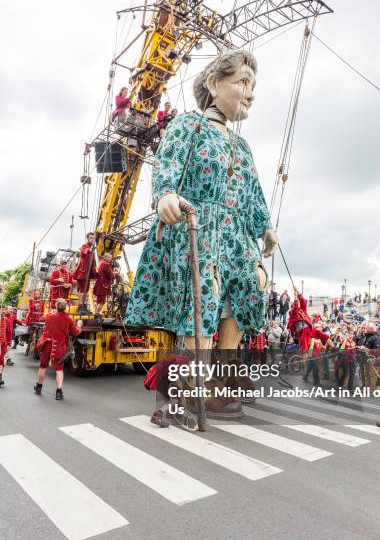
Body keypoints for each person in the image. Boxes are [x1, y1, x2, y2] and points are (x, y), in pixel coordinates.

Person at [125, 49, 279, 423]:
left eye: (253, 85)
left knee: (252, 281)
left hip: (237, 234)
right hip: (200, 227)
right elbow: (168, 166)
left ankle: (223, 377)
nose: (250, 92)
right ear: (214, 83)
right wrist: (165, 195)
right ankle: (198, 383)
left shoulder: (242, 145)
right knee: (205, 291)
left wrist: (265, 226)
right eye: (243, 82)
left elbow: (253, 192)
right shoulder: (187, 126)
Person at [34, 299, 82, 400]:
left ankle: (38, 387)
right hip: (60, 347)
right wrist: (79, 326)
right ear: (65, 307)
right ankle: (58, 392)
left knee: (43, 366)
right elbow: (75, 332)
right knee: (59, 370)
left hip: (47, 345)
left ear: (56, 306)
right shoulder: (69, 319)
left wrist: (50, 313)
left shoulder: (50, 316)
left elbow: (42, 318)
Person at [72, 233, 98, 309]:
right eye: (91, 238)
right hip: (82, 273)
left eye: (93, 238)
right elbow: (84, 251)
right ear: (87, 238)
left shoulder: (92, 249)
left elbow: (93, 262)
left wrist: (95, 271)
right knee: (82, 290)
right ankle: (80, 306)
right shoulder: (85, 246)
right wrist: (89, 250)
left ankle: (83, 306)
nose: (92, 239)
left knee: (85, 290)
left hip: (88, 273)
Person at [0, 308, 12, 386]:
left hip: (2, 344)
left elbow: (9, 333)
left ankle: (0, 376)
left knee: (1, 361)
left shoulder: (6, 320)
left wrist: (8, 344)